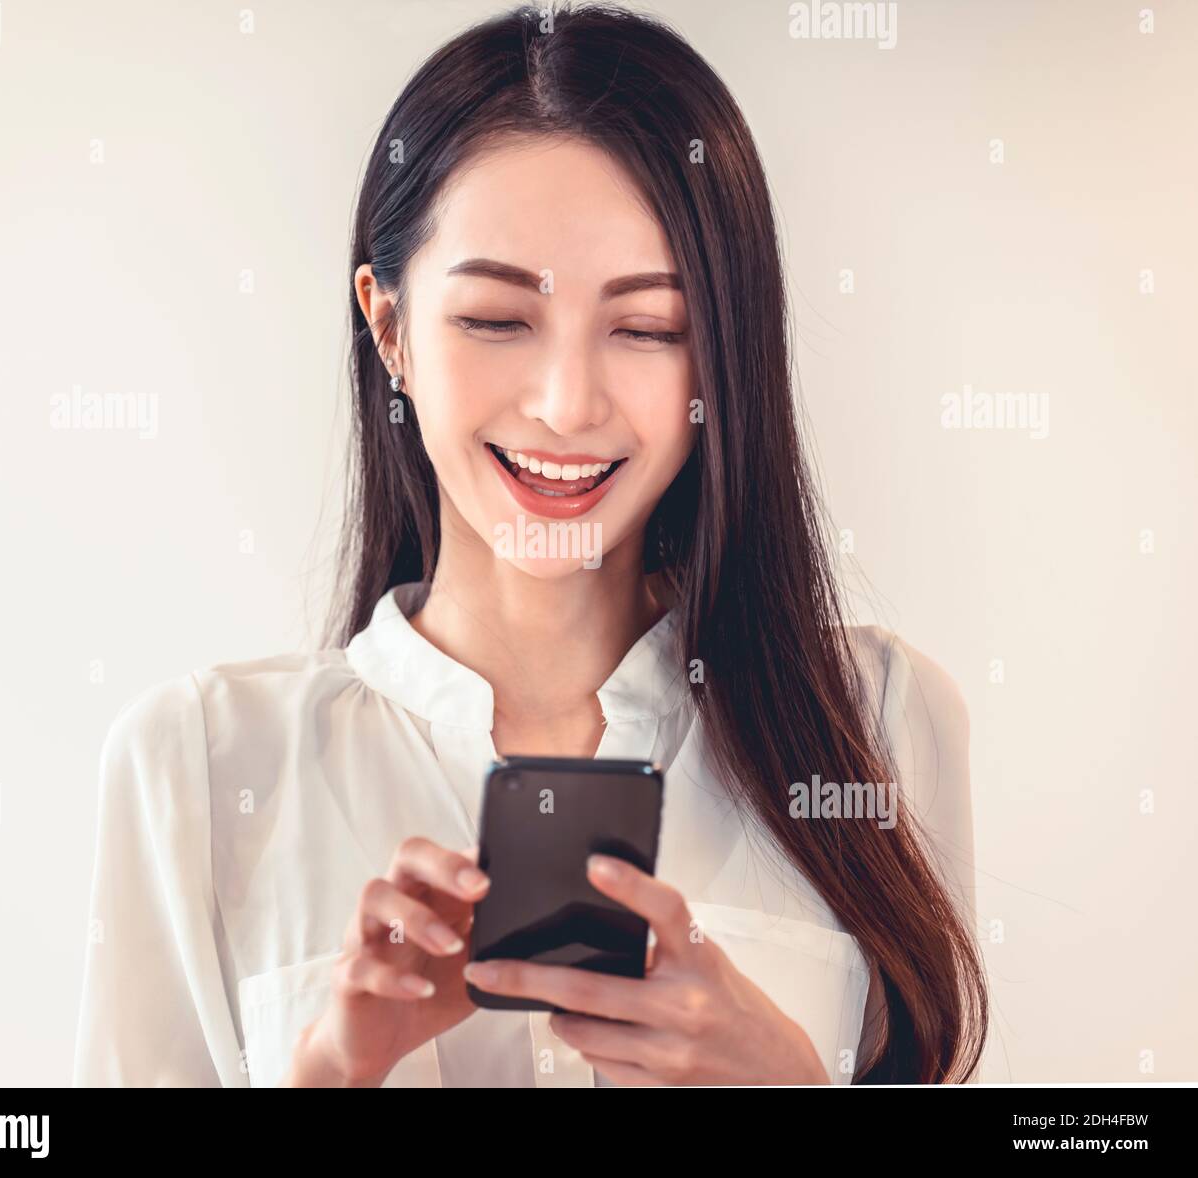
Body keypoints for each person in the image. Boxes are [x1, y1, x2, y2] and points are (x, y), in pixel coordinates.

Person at [73, 1, 987, 1088]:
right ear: (390, 328)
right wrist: (324, 1073)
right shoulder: (198, 763)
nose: (565, 404)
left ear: (719, 359)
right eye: (497, 320)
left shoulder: (878, 722)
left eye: (646, 328)